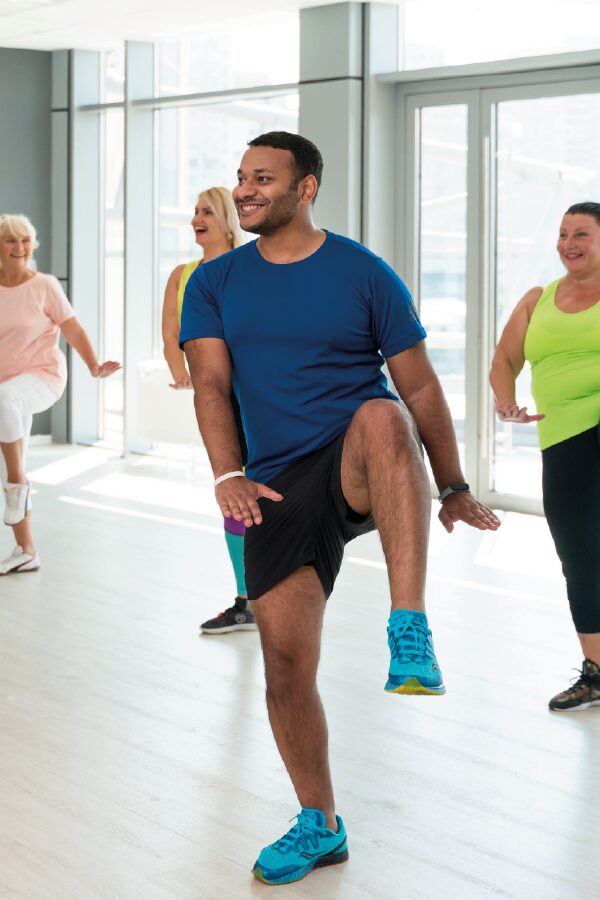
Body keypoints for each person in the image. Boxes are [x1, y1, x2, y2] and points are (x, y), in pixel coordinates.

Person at [180, 132, 500, 886]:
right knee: (286, 666)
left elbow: (418, 388)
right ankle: (320, 823)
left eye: (264, 178)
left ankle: (409, 624)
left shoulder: (362, 272)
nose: (248, 189)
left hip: (359, 459)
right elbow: (210, 386)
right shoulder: (215, 281)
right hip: (276, 483)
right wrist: (227, 471)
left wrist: (451, 484)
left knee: (383, 415)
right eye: (241, 178)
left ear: (307, 187)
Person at [490, 201, 600, 713]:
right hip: (562, 440)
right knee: (578, 555)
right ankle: (597, 672)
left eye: (581, 233)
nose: (568, 243)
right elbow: (505, 358)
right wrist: (505, 401)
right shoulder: (540, 298)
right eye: (562, 234)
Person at [0, 213, 119, 575]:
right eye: (10, 240)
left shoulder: (45, 285)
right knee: (7, 417)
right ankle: (26, 550)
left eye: (25, 241)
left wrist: (94, 365)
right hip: (5, 384)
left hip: (42, 376)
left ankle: (17, 484)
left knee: (7, 415)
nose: (19, 247)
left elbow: (73, 328)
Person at [161, 187, 256, 635]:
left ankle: (271, 596)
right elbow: (171, 334)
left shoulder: (251, 266)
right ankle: (247, 600)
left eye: (207, 212)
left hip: (259, 397)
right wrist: (184, 373)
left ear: (226, 220)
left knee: (270, 493)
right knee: (234, 495)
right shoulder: (182, 275)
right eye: (195, 212)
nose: (197, 218)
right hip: (219, 398)